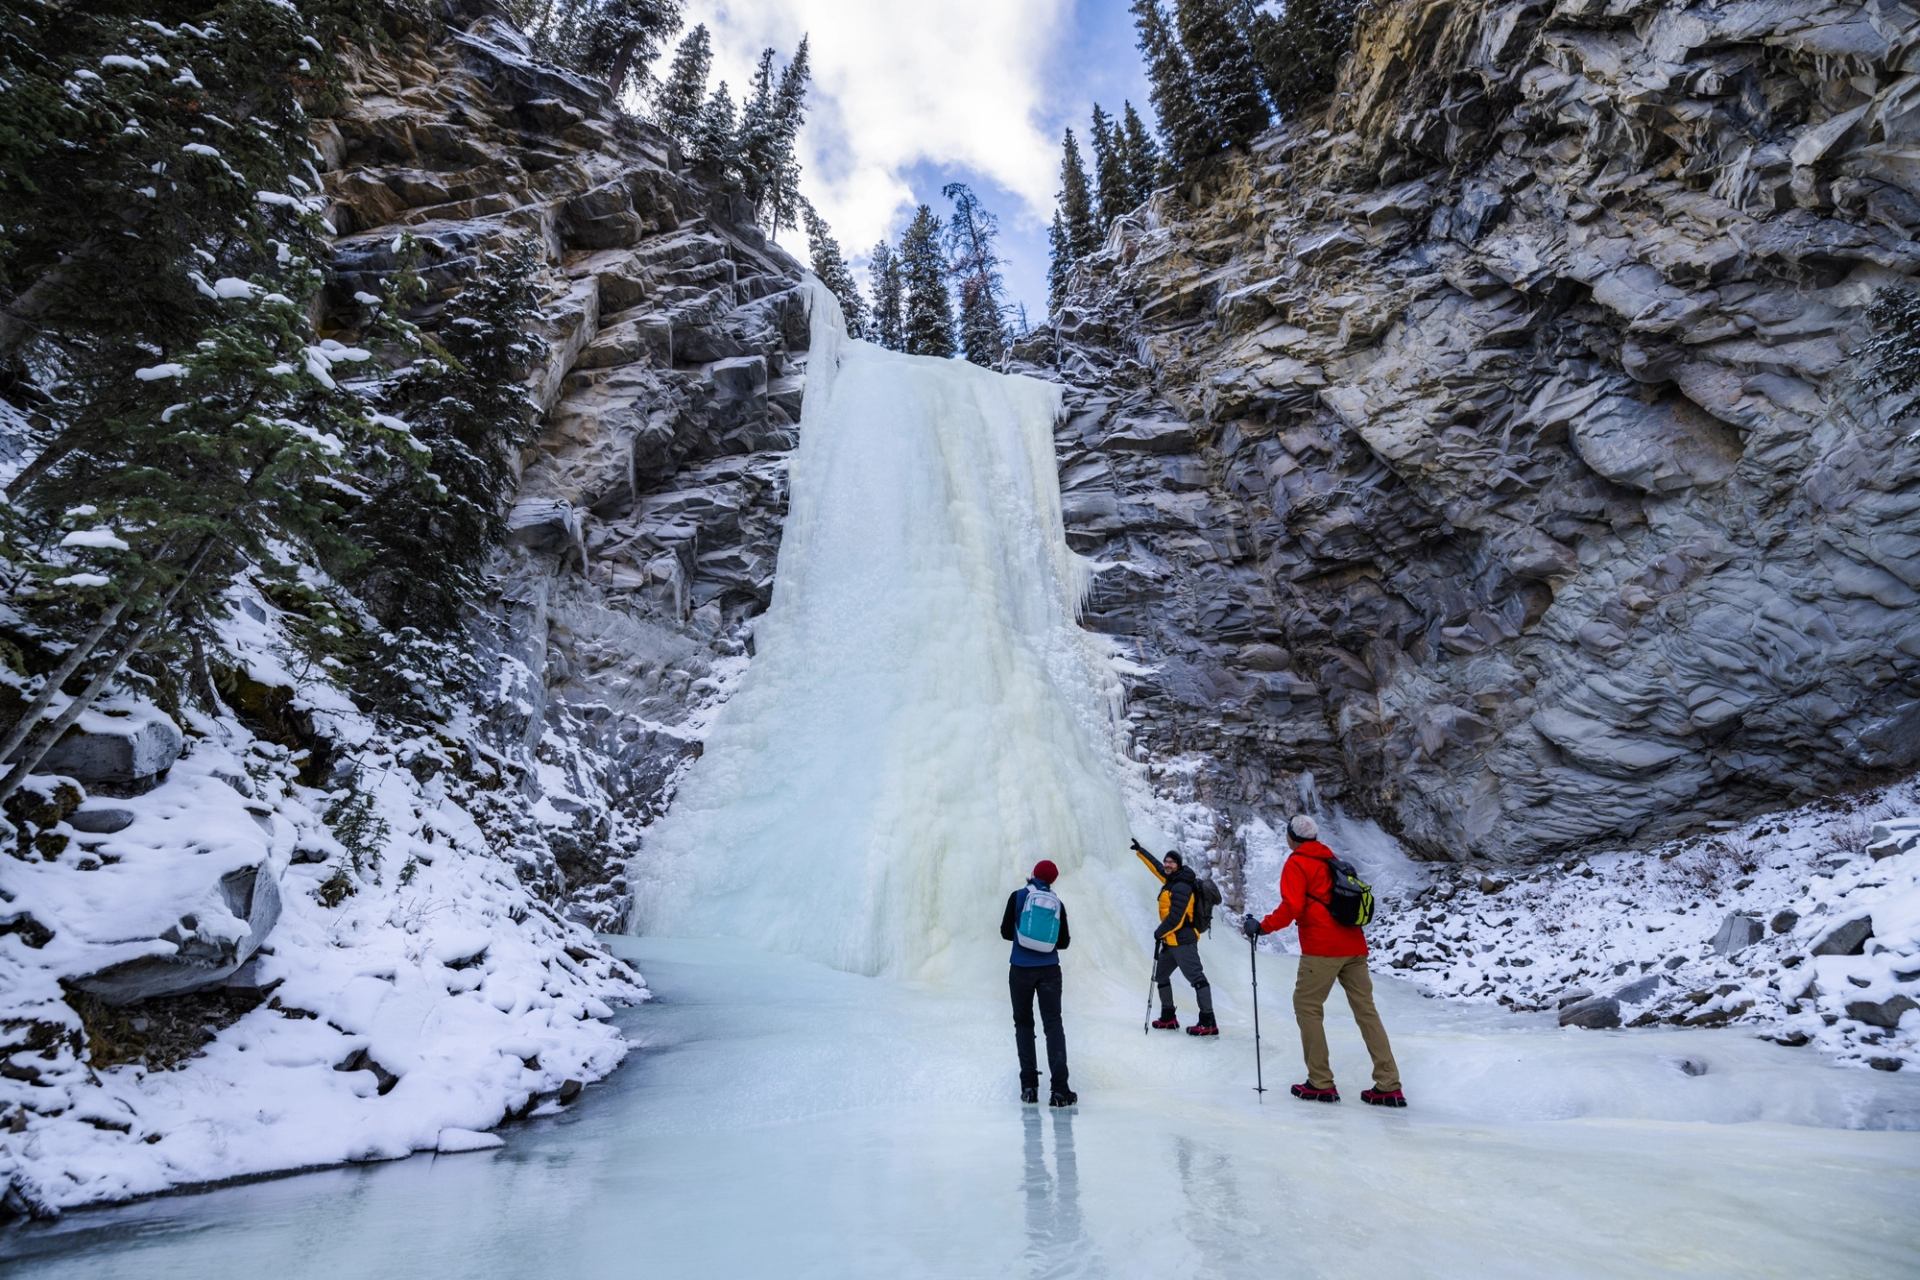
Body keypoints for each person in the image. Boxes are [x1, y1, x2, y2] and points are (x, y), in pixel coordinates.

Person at [1241, 815, 1406, 1106]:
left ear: (1291, 838)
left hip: (1322, 947)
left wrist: (1262, 927)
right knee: (1366, 1012)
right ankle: (1389, 1083)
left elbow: (1292, 906)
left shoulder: (1297, 863)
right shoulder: (1332, 860)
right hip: (1354, 946)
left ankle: (1320, 1082)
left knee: (1307, 1006)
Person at [1001, 859, 1076, 1107]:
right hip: (1050, 971)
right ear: (1053, 880)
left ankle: (1029, 1088)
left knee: (1023, 1024)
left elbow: (1005, 932)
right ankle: (1060, 1090)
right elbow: (1063, 942)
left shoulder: (1018, 896)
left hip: (1020, 970)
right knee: (1053, 1025)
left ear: (1033, 873)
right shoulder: (1057, 903)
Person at [1131, 839, 1217, 1036]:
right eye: (1166, 861)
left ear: (1178, 865)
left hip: (1183, 940)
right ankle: (1168, 1017)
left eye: (1171, 862)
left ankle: (1208, 1021)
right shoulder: (1172, 880)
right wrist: (1141, 851)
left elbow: (1176, 918)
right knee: (1160, 975)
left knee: (1196, 978)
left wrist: (1159, 932)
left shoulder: (1182, 886)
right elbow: (1157, 868)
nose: (1167, 865)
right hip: (1171, 941)